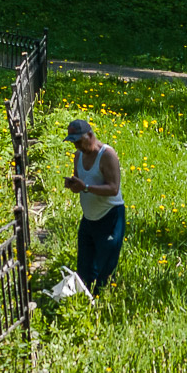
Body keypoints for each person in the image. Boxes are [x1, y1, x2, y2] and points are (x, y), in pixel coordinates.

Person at [61, 118, 126, 294]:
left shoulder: (107, 155)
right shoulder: (78, 156)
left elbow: (113, 188)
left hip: (110, 216)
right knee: (84, 266)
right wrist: (74, 185)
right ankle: (84, 302)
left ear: (90, 135)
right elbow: (80, 184)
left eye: (79, 142)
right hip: (89, 218)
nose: (77, 147)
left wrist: (86, 188)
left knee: (105, 267)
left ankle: (101, 302)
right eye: (73, 144)